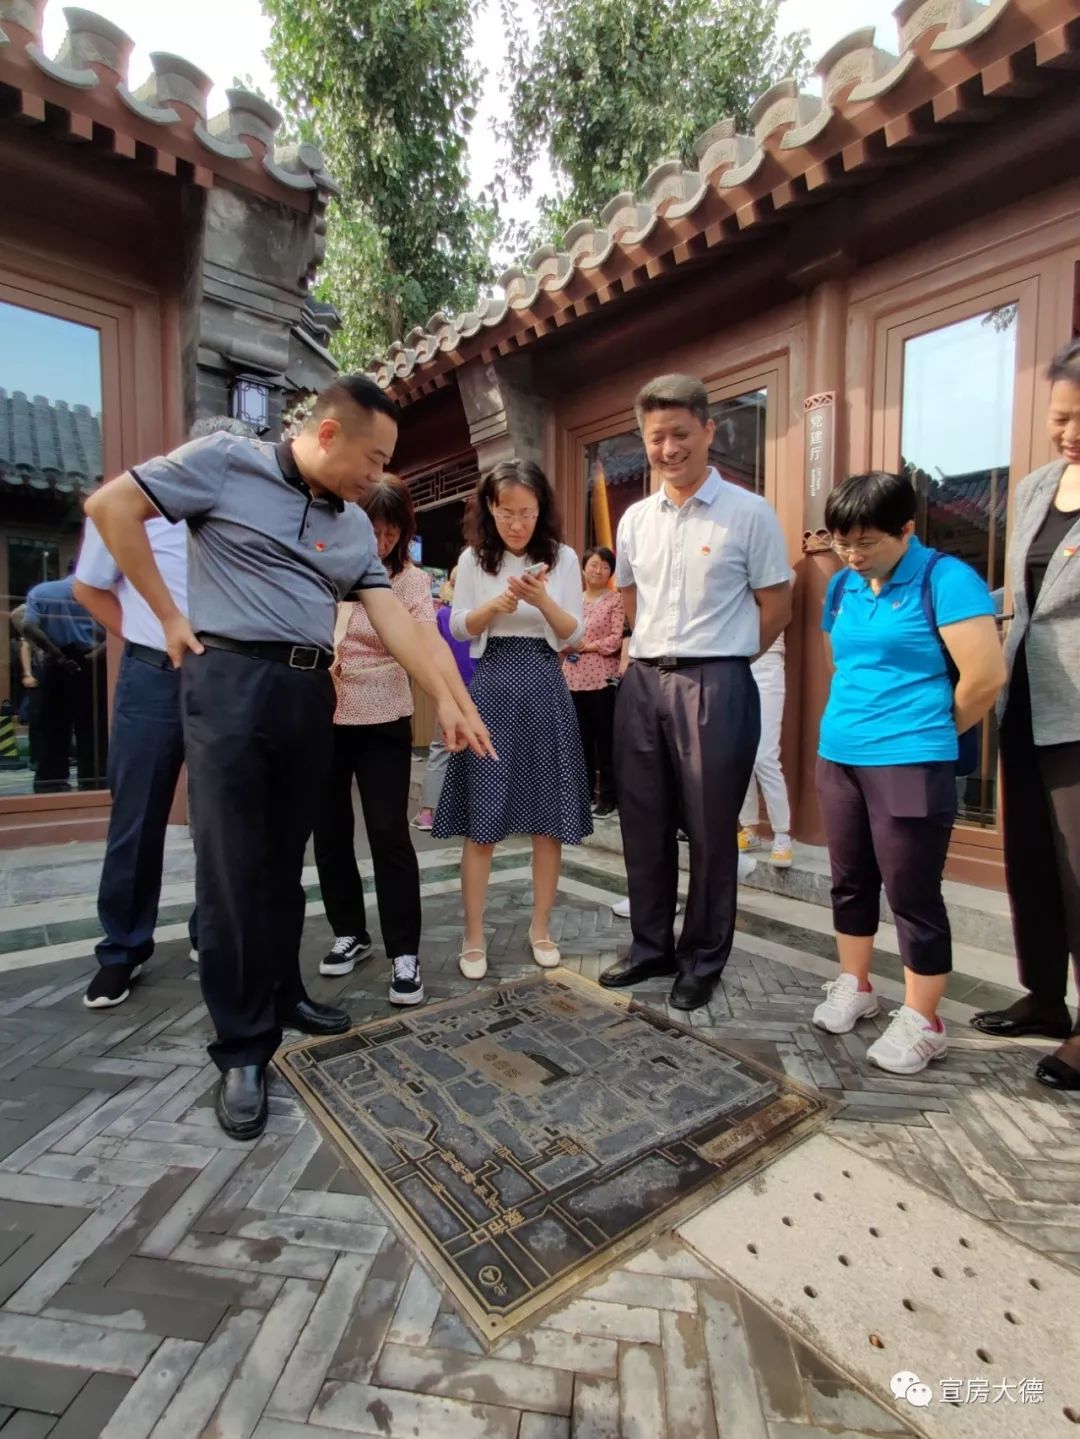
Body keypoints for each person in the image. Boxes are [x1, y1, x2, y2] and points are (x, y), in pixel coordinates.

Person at [84, 375, 492, 1142]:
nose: (378, 477)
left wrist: (457, 702)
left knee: (282, 864)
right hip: (230, 681)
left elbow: (403, 625)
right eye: (372, 459)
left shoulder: (347, 529)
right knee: (232, 871)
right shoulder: (223, 463)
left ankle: (281, 991)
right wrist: (168, 618)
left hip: (310, 695)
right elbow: (110, 508)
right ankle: (242, 1048)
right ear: (330, 435)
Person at [599, 374, 791, 1011]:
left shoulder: (750, 513)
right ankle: (650, 946)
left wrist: (727, 664)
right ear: (643, 440)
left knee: (713, 830)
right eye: (656, 437)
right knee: (643, 822)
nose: (669, 448)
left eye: (681, 433)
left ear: (709, 430)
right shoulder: (633, 521)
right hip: (643, 680)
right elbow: (630, 599)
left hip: (717, 681)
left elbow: (777, 606)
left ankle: (702, 958)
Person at [813, 471, 1004, 1074]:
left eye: (866, 542)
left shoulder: (946, 579)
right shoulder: (843, 585)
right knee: (849, 879)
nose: (852, 554)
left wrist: (928, 731)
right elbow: (840, 664)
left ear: (906, 529)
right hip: (840, 753)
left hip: (911, 758)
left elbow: (985, 677)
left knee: (912, 892)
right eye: (843, 542)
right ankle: (856, 984)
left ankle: (925, 1018)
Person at [73, 417, 253, 1010]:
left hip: (224, 676)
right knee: (138, 813)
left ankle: (210, 931)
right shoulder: (134, 499)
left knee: (221, 816)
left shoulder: (241, 513)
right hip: (152, 674)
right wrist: (147, 635)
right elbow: (89, 588)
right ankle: (122, 950)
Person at [313, 477, 480, 1004]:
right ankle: (351, 933)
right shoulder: (325, 567)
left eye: (391, 533)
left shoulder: (407, 582)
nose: (381, 542)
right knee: (332, 830)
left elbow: (428, 644)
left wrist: (455, 705)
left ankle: (403, 952)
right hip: (325, 715)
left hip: (384, 716)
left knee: (388, 832)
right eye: (373, 530)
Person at [971, 339, 1080, 1090]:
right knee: (1033, 862)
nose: (1068, 433)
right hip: (1026, 700)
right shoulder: (1039, 485)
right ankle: (1045, 996)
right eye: (1060, 416)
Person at [433, 458, 591, 978]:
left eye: (526, 512)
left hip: (546, 684)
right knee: (483, 822)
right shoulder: (475, 559)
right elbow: (459, 627)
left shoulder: (563, 559)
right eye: (506, 514)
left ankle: (540, 928)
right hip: (493, 684)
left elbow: (572, 634)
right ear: (490, 511)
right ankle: (473, 934)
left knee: (547, 822)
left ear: (541, 509)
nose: (517, 523)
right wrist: (497, 605)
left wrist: (542, 598)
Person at [22, 571, 107, 792]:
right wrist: (93, 656)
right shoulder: (101, 596)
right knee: (93, 728)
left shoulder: (42, 592)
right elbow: (116, 634)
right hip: (91, 663)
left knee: (52, 727)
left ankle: (51, 782)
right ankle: (94, 781)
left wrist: (57, 655)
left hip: (55, 662)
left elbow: (28, 626)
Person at [563, 546, 624, 817]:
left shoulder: (616, 600)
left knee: (605, 741)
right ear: (584, 567)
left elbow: (616, 638)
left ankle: (609, 798)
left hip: (601, 679)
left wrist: (586, 646)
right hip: (572, 679)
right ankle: (583, 794)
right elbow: (560, 632)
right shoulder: (573, 600)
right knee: (580, 740)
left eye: (605, 566)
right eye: (594, 564)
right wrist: (568, 645)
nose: (598, 570)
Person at [413, 567, 475, 831]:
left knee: (441, 748)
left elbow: (431, 652)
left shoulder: (443, 616)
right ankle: (474, 812)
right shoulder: (480, 618)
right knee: (478, 747)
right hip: (482, 688)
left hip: (450, 690)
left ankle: (428, 812)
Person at [738, 601, 793, 867]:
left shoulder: (778, 570)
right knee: (739, 751)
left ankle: (782, 833)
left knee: (764, 755)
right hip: (734, 661)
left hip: (768, 660)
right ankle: (750, 828)